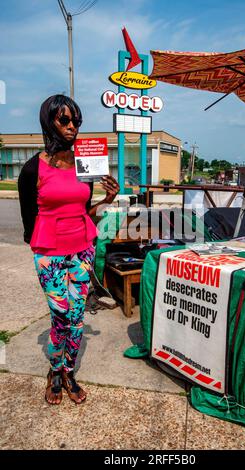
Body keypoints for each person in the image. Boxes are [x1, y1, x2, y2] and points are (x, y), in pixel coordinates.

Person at [18, 94, 119, 405]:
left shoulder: (84, 165)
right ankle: (54, 369)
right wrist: (47, 251)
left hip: (82, 251)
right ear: (49, 122)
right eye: (65, 120)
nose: (73, 126)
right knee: (60, 314)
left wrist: (107, 201)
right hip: (49, 255)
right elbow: (28, 223)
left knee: (76, 317)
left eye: (76, 120)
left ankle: (68, 372)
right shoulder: (32, 169)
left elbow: (85, 210)